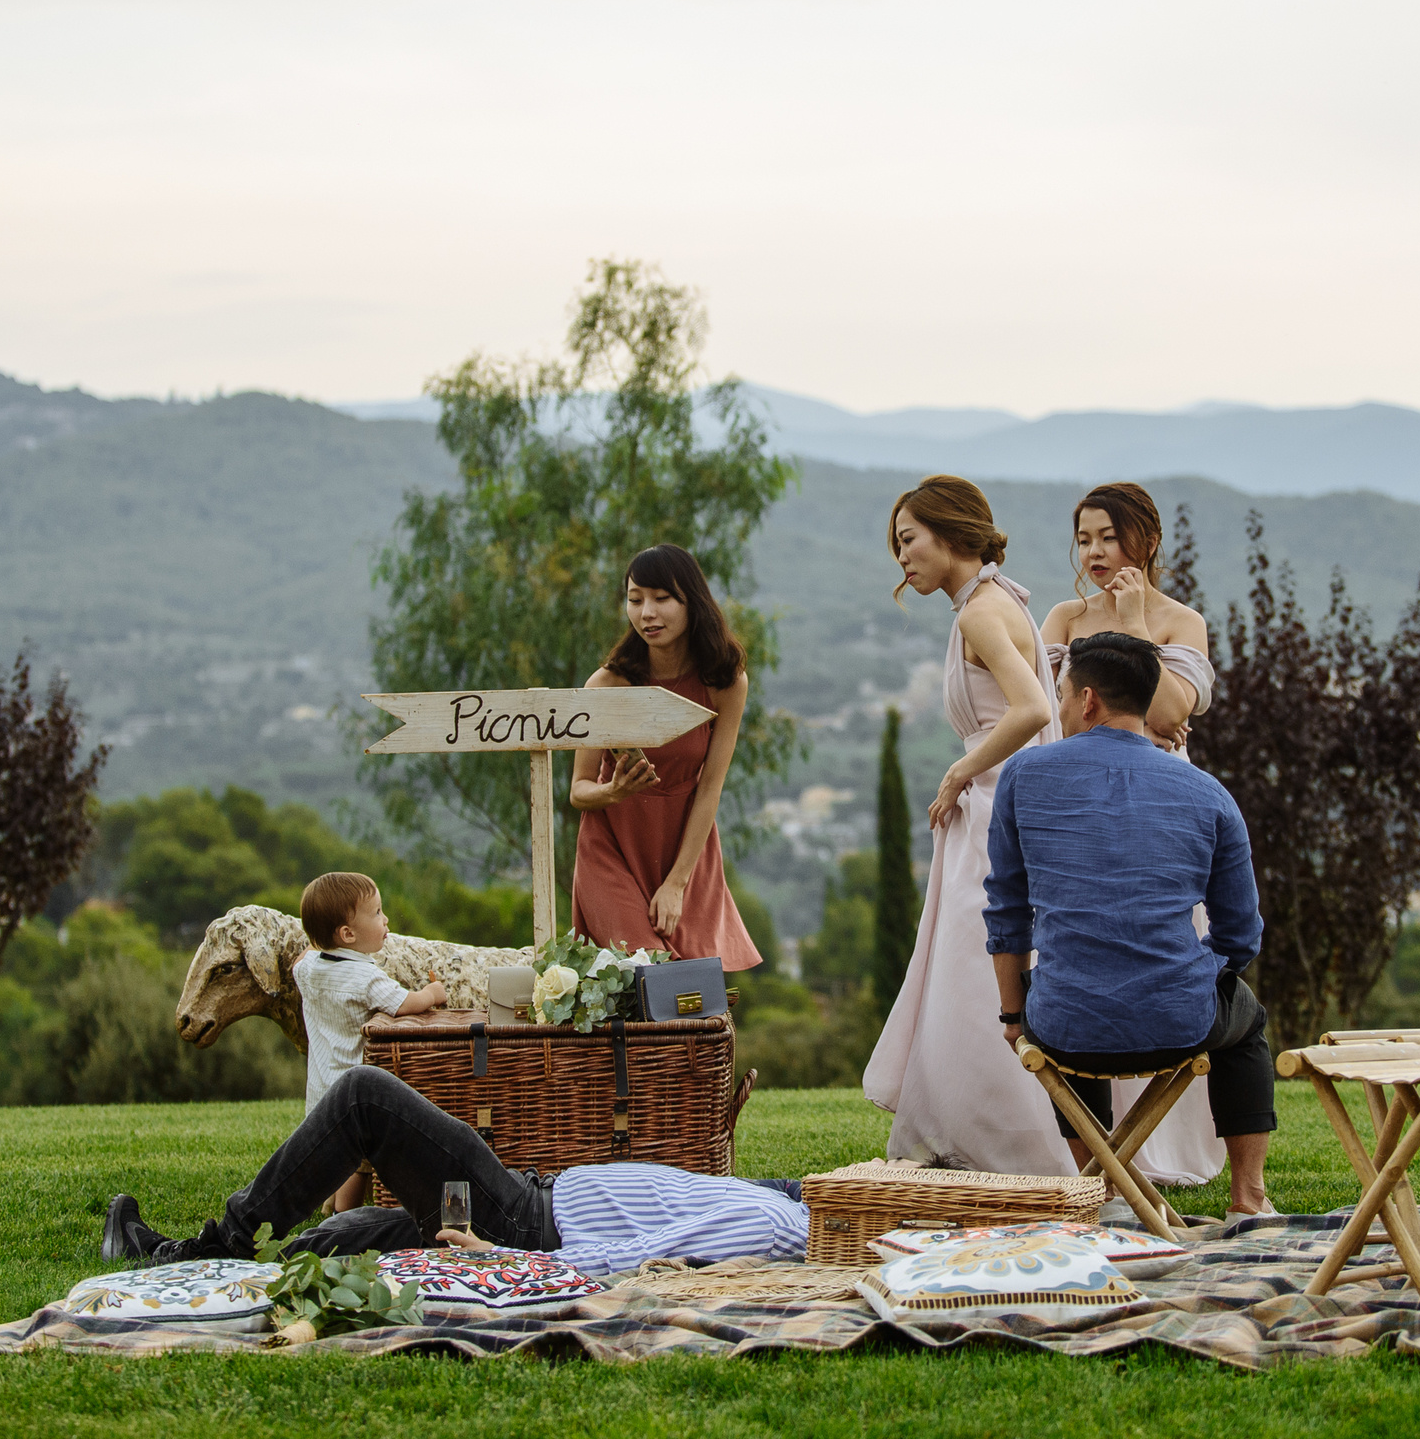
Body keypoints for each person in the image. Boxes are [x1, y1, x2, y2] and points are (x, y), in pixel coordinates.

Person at [987, 632, 1277, 1221]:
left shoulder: (1022, 775)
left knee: (1071, 995)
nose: (1062, 708)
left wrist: (1014, 1018)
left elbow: (1006, 912)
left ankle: (1106, 1193)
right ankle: (1248, 1198)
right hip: (1182, 1020)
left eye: (1063, 695)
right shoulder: (1208, 792)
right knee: (1247, 1024)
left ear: (1087, 699)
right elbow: (1242, 934)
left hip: (1060, 1025)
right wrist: (1201, 973)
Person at [100, 1066, 810, 1277]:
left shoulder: (776, 1222)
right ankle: (219, 1268)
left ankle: (208, 1251)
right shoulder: (791, 1200)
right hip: (529, 1200)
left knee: (364, 1099)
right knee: (353, 1235)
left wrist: (498, 1256)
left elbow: (638, 1258)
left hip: (521, 1224)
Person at [862, 475, 1071, 1175]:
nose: (902, 558)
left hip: (993, 814)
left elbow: (1033, 709)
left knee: (979, 978)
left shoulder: (981, 612)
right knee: (973, 976)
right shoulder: (995, 601)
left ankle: (1006, 1148)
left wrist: (958, 773)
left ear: (949, 533)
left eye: (908, 540)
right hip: (999, 809)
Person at [1038, 482, 1226, 1186]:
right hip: (1081, 805)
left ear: (1143, 541)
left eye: (1108, 538)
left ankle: (1162, 1144)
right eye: (1084, 538)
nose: (1093, 552)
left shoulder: (1182, 621)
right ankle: (1089, 1151)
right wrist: (1144, 711)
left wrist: (1135, 620)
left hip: (1160, 811)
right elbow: (1064, 718)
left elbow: (1176, 708)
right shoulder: (1062, 617)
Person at [568, 544, 764, 970]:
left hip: (685, 851)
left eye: (661, 599)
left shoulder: (725, 682)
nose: (646, 614)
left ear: (691, 601)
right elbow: (579, 792)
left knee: (688, 989)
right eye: (635, 600)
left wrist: (678, 882)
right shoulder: (607, 684)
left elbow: (711, 785)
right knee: (644, 972)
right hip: (611, 848)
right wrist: (613, 791)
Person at [292, 871, 447, 1213]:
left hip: (319, 1085)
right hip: (353, 1090)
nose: (386, 918)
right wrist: (431, 993)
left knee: (333, 1146)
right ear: (347, 934)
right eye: (377, 913)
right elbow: (405, 1003)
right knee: (358, 1160)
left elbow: (301, 960)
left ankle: (328, 1201)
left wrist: (318, 937)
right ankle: (345, 1216)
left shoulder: (308, 971)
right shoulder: (365, 977)